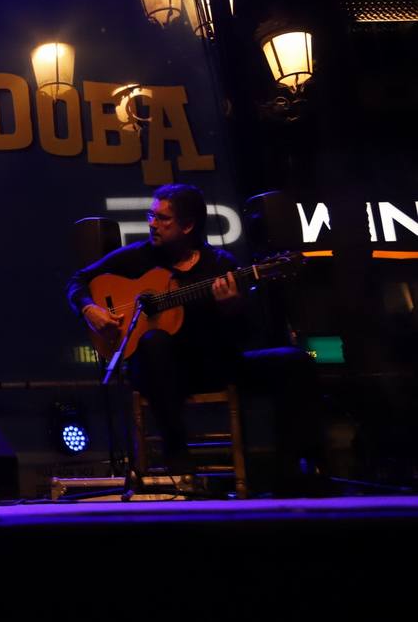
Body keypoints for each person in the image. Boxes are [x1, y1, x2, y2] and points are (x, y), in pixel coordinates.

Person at [66, 183, 324, 494]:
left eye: (163, 219)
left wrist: (231, 308)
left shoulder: (220, 264)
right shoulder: (138, 257)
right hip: (162, 372)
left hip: (212, 363)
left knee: (295, 362)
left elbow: (243, 335)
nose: (152, 224)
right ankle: (177, 452)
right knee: (154, 341)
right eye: (152, 216)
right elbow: (78, 281)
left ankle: (292, 470)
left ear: (188, 226)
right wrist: (89, 309)